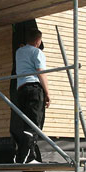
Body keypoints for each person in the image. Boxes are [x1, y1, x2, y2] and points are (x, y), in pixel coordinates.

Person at [15, 29, 50, 163]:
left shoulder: (19, 52)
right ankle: (26, 157)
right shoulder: (37, 52)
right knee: (35, 123)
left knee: (27, 122)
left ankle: (26, 155)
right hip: (34, 88)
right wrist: (47, 92)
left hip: (21, 89)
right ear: (38, 41)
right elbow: (41, 72)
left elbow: (23, 51)